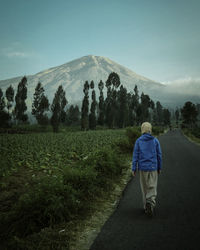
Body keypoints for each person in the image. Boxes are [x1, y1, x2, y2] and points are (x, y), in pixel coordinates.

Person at [132, 122, 162, 216]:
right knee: (152, 186)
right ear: (150, 130)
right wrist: (159, 167)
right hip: (153, 167)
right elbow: (159, 155)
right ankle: (150, 203)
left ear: (142, 130)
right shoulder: (155, 140)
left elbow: (135, 155)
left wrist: (133, 168)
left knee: (144, 187)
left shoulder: (138, 141)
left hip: (143, 168)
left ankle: (146, 205)